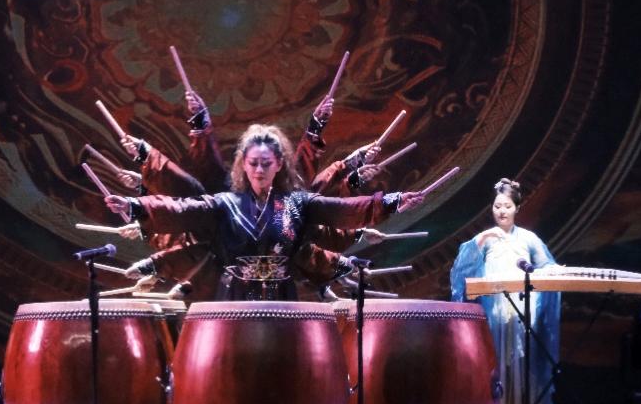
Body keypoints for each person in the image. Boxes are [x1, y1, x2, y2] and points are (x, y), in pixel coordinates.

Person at [106, 124, 424, 300]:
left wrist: (392, 202)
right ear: (243, 165)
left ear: (279, 164)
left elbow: (343, 211)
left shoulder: (299, 203)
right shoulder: (223, 204)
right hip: (232, 298)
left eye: (266, 163)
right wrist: (135, 206)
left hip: (282, 297)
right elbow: (180, 210)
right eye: (254, 163)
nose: (259, 170)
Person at [449, 178, 561, 404]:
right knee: (495, 357)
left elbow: (546, 265)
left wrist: (551, 271)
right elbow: (461, 269)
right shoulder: (486, 238)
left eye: (507, 206)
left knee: (521, 358)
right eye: (497, 206)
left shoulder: (528, 238)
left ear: (517, 208)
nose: (502, 211)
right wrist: (482, 238)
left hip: (521, 307)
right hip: (494, 308)